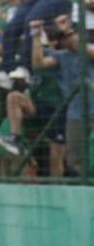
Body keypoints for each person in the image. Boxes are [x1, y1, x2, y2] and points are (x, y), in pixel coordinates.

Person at [30, 14, 94, 177]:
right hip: (76, 114)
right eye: (62, 38)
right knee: (74, 159)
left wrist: (67, 32)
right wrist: (36, 36)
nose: (65, 40)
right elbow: (38, 63)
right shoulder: (62, 56)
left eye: (68, 36)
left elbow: (84, 49)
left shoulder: (89, 49)